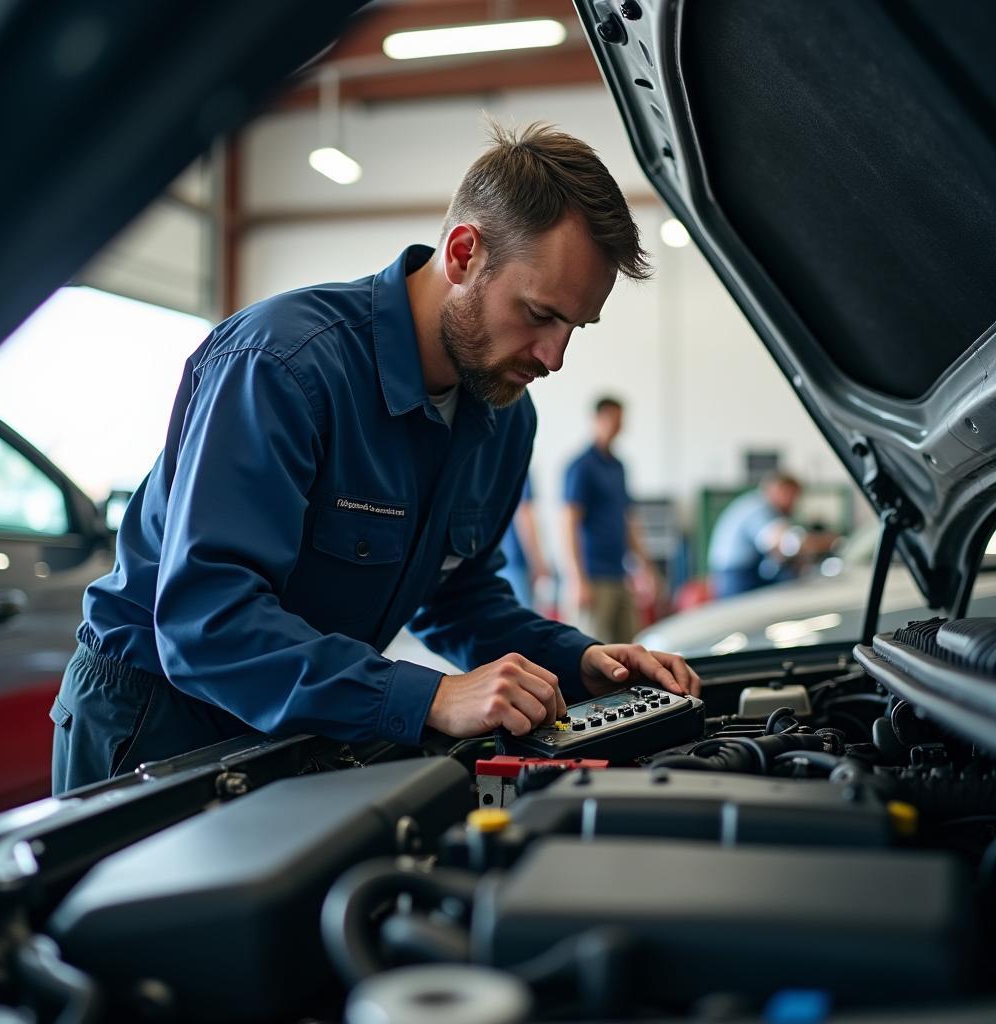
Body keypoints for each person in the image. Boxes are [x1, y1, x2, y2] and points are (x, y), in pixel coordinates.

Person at [51, 122, 700, 793]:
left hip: (304, 719)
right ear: (462, 253)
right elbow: (207, 622)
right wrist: (430, 698)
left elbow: (458, 597)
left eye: (574, 327)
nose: (554, 357)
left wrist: (580, 658)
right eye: (539, 313)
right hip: (159, 723)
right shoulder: (283, 366)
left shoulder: (504, 412)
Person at [562, 397, 657, 644]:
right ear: (597, 420)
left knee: (629, 647)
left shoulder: (618, 467)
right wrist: (576, 578)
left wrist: (645, 567)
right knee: (593, 649)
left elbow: (628, 520)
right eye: (611, 419)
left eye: (620, 420)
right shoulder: (581, 467)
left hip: (619, 574)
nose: (617, 426)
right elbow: (568, 523)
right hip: (592, 577)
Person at [707, 473, 836, 598]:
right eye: (793, 496)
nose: (794, 504)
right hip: (738, 577)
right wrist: (828, 542)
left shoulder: (758, 504)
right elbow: (785, 542)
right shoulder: (758, 508)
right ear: (782, 490)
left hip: (739, 574)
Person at [496, 476, 550, 610]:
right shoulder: (519, 467)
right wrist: (537, 562)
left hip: (497, 558)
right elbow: (523, 515)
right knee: (521, 614)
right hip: (517, 562)